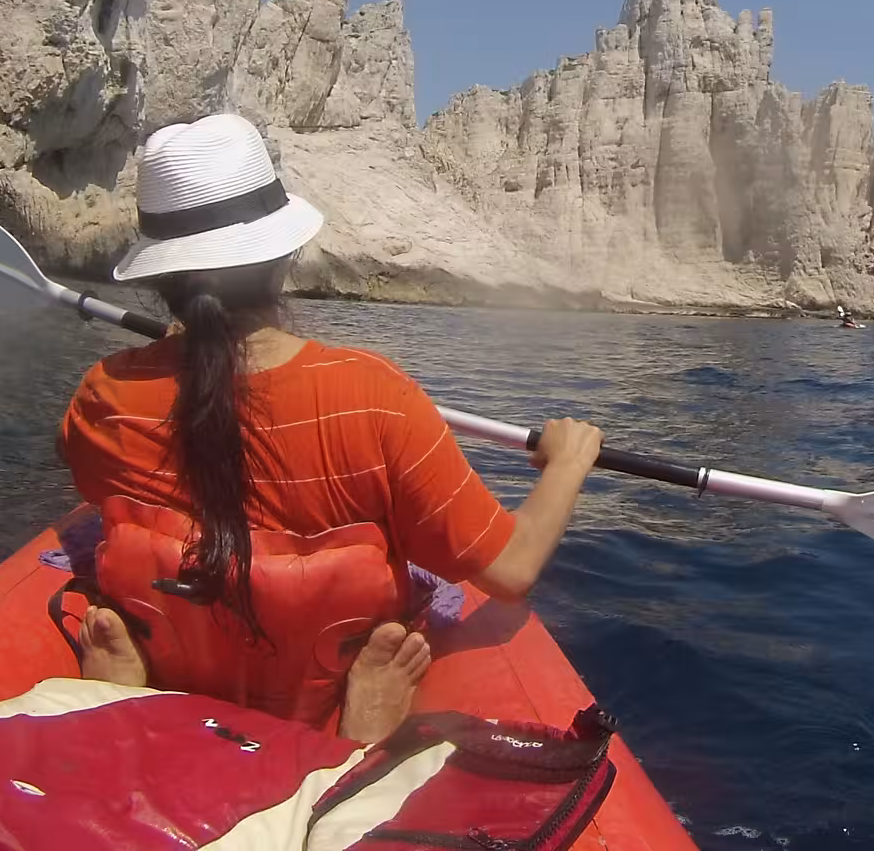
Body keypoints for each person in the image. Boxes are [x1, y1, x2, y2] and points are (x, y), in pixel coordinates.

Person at [57, 113, 601, 743]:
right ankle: (358, 725)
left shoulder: (106, 394)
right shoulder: (375, 397)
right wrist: (569, 460)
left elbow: (87, 473)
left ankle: (129, 683)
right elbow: (511, 571)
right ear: (284, 257)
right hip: (321, 688)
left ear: (157, 276)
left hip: (178, 665)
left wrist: (182, 355)